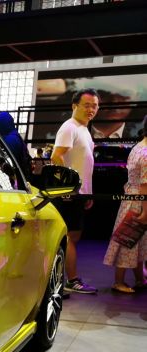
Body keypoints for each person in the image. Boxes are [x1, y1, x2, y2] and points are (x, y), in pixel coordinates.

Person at [51, 88, 99, 295]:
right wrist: (69, 187)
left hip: (79, 194)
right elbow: (56, 156)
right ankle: (70, 280)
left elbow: (85, 164)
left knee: (73, 236)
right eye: (87, 105)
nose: (91, 109)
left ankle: (62, 282)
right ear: (74, 106)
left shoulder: (84, 129)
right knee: (68, 237)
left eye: (95, 106)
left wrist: (88, 192)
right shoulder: (69, 127)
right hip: (69, 194)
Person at [103, 114, 147, 293]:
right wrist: (145, 211)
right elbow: (145, 186)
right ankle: (119, 282)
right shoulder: (145, 152)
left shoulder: (138, 147)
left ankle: (140, 279)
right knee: (128, 241)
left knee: (136, 242)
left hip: (131, 198)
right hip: (138, 201)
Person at [0, 111, 31, 183]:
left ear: (2, 126)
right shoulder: (14, 136)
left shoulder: (10, 140)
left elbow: (12, 161)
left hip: (19, 178)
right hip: (23, 175)